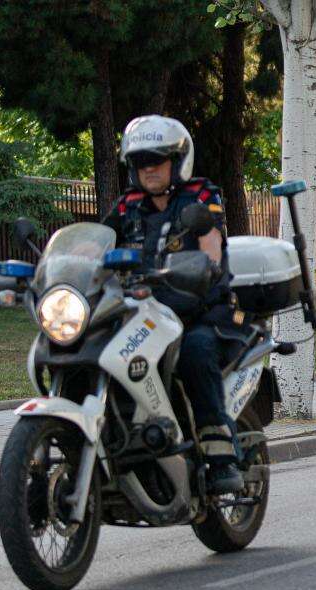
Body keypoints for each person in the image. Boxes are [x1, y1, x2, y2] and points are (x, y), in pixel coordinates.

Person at [102, 115, 246, 494]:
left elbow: (211, 246)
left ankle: (220, 457)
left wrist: (204, 267)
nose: (148, 168)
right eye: (140, 161)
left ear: (177, 160)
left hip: (196, 308)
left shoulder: (200, 197)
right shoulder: (127, 204)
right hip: (141, 312)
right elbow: (94, 245)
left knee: (196, 352)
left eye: (157, 159)